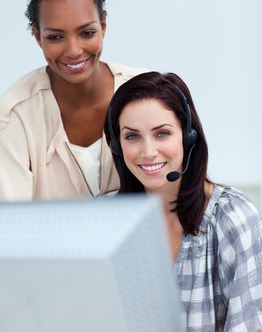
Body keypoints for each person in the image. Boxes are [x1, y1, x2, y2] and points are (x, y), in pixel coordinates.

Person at [104, 71, 262, 331]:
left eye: (162, 134)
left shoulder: (232, 217)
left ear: (188, 137)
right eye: (132, 136)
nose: (148, 152)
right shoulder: (105, 218)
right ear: (116, 145)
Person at [0, 0, 147, 201]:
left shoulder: (147, 93)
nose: (73, 51)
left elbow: (183, 192)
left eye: (87, 33)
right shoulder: (14, 116)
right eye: (55, 37)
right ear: (38, 36)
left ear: (103, 26)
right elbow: (11, 226)